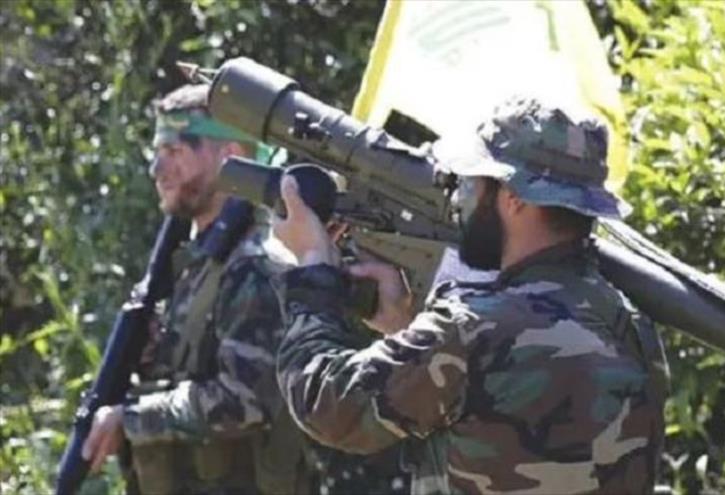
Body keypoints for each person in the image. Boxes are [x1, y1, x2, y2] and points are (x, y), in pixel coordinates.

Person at [272, 96, 669, 494]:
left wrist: (313, 268)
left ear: (514, 198)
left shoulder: (471, 328)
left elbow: (327, 405)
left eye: (473, 184)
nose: (461, 200)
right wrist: (404, 327)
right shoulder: (633, 327)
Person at [80, 84, 320, 494]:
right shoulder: (196, 262)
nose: (158, 169)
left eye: (174, 151)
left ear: (229, 157)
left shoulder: (258, 263)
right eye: (158, 152)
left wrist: (133, 419)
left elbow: (245, 399)